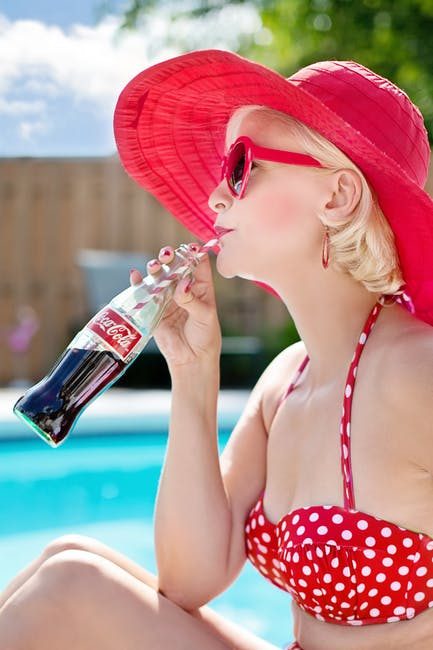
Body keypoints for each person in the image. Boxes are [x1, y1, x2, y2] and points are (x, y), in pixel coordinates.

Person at [1, 50, 433, 650]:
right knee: (65, 556)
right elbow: (188, 580)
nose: (214, 198)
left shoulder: (418, 372)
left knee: (71, 586)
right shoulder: (285, 384)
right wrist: (194, 373)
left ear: (336, 196)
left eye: (240, 167)